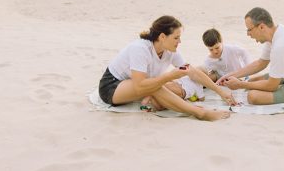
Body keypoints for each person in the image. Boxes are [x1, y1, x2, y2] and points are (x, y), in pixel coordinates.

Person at [98, 15, 230, 121]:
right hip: (112, 86)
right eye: (176, 38)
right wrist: (169, 76)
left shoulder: (170, 50)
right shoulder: (140, 49)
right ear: (162, 37)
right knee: (156, 86)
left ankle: (193, 109)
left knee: (160, 87)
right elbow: (140, 86)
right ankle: (200, 113)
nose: (179, 42)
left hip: (135, 86)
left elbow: (193, 72)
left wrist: (220, 91)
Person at [218, 7, 284, 105]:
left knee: (253, 96)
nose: (248, 34)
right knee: (252, 81)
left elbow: (272, 86)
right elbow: (261, 63)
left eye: (249, 29)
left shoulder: (281, 45)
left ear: (261, 27)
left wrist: (240, 84)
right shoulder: (275, 35)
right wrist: (232, 75)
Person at [177, 28, 250, 102]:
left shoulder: (231, 49)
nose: (215, 51)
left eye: (217, 48)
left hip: (237, 75)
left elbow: (244, 53)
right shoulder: (209, 60)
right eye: (211, 49)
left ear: (221, 42)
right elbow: (206, 72)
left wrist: (247, 71)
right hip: (219, 77)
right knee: (200, 70)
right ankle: (189, 88)